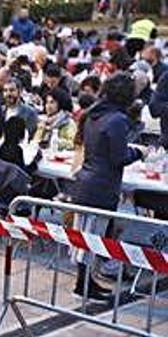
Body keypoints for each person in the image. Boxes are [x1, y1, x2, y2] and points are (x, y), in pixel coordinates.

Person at [71, 73, 144, 300]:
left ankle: (85, 282)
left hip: (86, 181)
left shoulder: (94, 114)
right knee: (94, 237)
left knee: (85, 236)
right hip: (102, 186)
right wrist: (138, 152)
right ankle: (84, 286)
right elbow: (119, 156)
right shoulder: (117, 120)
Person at [3, 77, 39, 141]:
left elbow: (32, 136)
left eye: (12, 90)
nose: (8, 94)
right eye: (5, 90)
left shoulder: (29, 112)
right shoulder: (0, 111)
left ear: (20, 91)